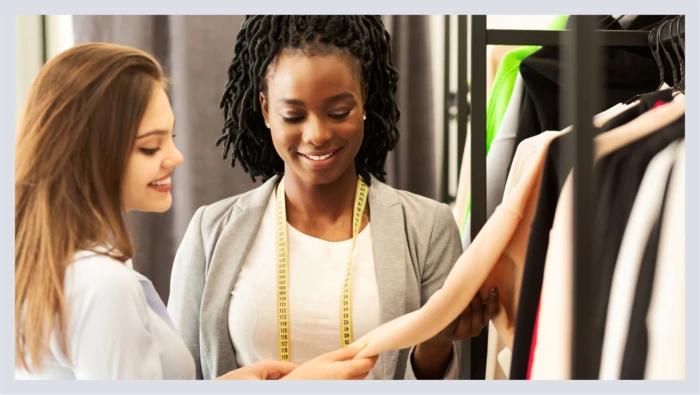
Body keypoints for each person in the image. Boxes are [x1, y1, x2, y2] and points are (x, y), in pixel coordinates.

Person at [14, 42, 376, 380]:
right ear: (90, 154)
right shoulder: (103, 285)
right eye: (150, 148)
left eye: (169, 139)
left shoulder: (60, 266)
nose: (175, 157)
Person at [168, 15, 500, 381]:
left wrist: (435, 342)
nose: (317, 135)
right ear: (266, 110)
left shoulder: (428, 229)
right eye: (292, 115)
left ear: (364, 103)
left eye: (338, 112)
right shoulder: (210, 231)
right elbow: (178, 377)